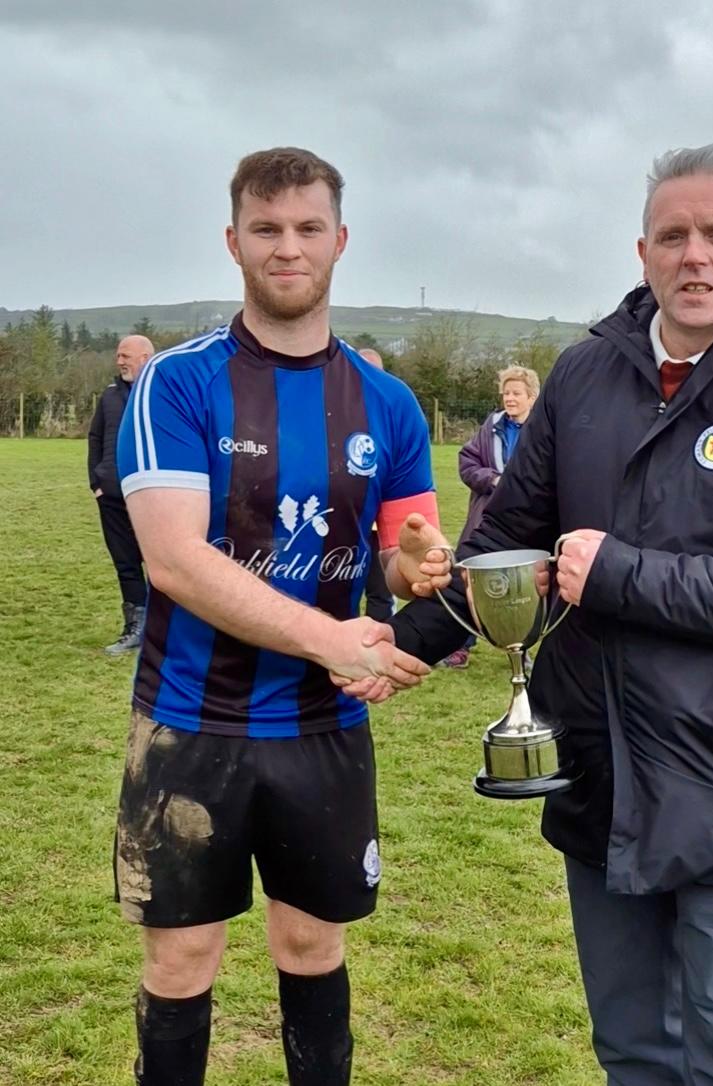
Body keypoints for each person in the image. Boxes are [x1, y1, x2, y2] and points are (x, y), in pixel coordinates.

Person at [378, 144, 713, 1084]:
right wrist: (399, 645)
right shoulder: (583, 376)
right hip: (597, 766)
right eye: (672, 235)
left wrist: (619, 575)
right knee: (632, 1049)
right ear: (640, 252)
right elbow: (507, 540)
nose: (694, 255)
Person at [114, 147, 449, 1086]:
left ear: (340, 241)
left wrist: (416, 566)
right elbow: (175, 560)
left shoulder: (387, 402)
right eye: (266, 230)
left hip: (324, 729)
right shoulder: (176, 383)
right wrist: (334, 641)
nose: (287, 248)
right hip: (191, 724)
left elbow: (401, 548)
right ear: (234, 242)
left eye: (308, 229)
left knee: (312, 947)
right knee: (181, 960)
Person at [440, 365, 540, 668]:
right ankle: (459, 647)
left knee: (521, 587)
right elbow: (467, 462)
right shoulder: (491, 426)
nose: (509, 398)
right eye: (506, 393)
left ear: (532, 397)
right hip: (486, 521)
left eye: (516, 393)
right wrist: (493, 480)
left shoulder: (544, 429)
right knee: (469, 582)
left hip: (527, 523)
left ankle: (520, 650)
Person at [88, 334, 155, 654]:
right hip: (112, 494)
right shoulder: (110, 395)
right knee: (126, 563)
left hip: (152, 497)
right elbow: (95, 437)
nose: (120, 361)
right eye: (118, 355)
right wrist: (96, 482)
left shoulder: (162, 393)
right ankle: (135, 628)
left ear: (145, 357)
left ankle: (167, 630)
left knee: (162, 562)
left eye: (125, 355)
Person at [356, 347, 397, 624]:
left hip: (381, 527)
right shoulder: (329, 413)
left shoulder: (393, 417)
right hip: (342, 524)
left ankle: (375, 647)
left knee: (380, 594)